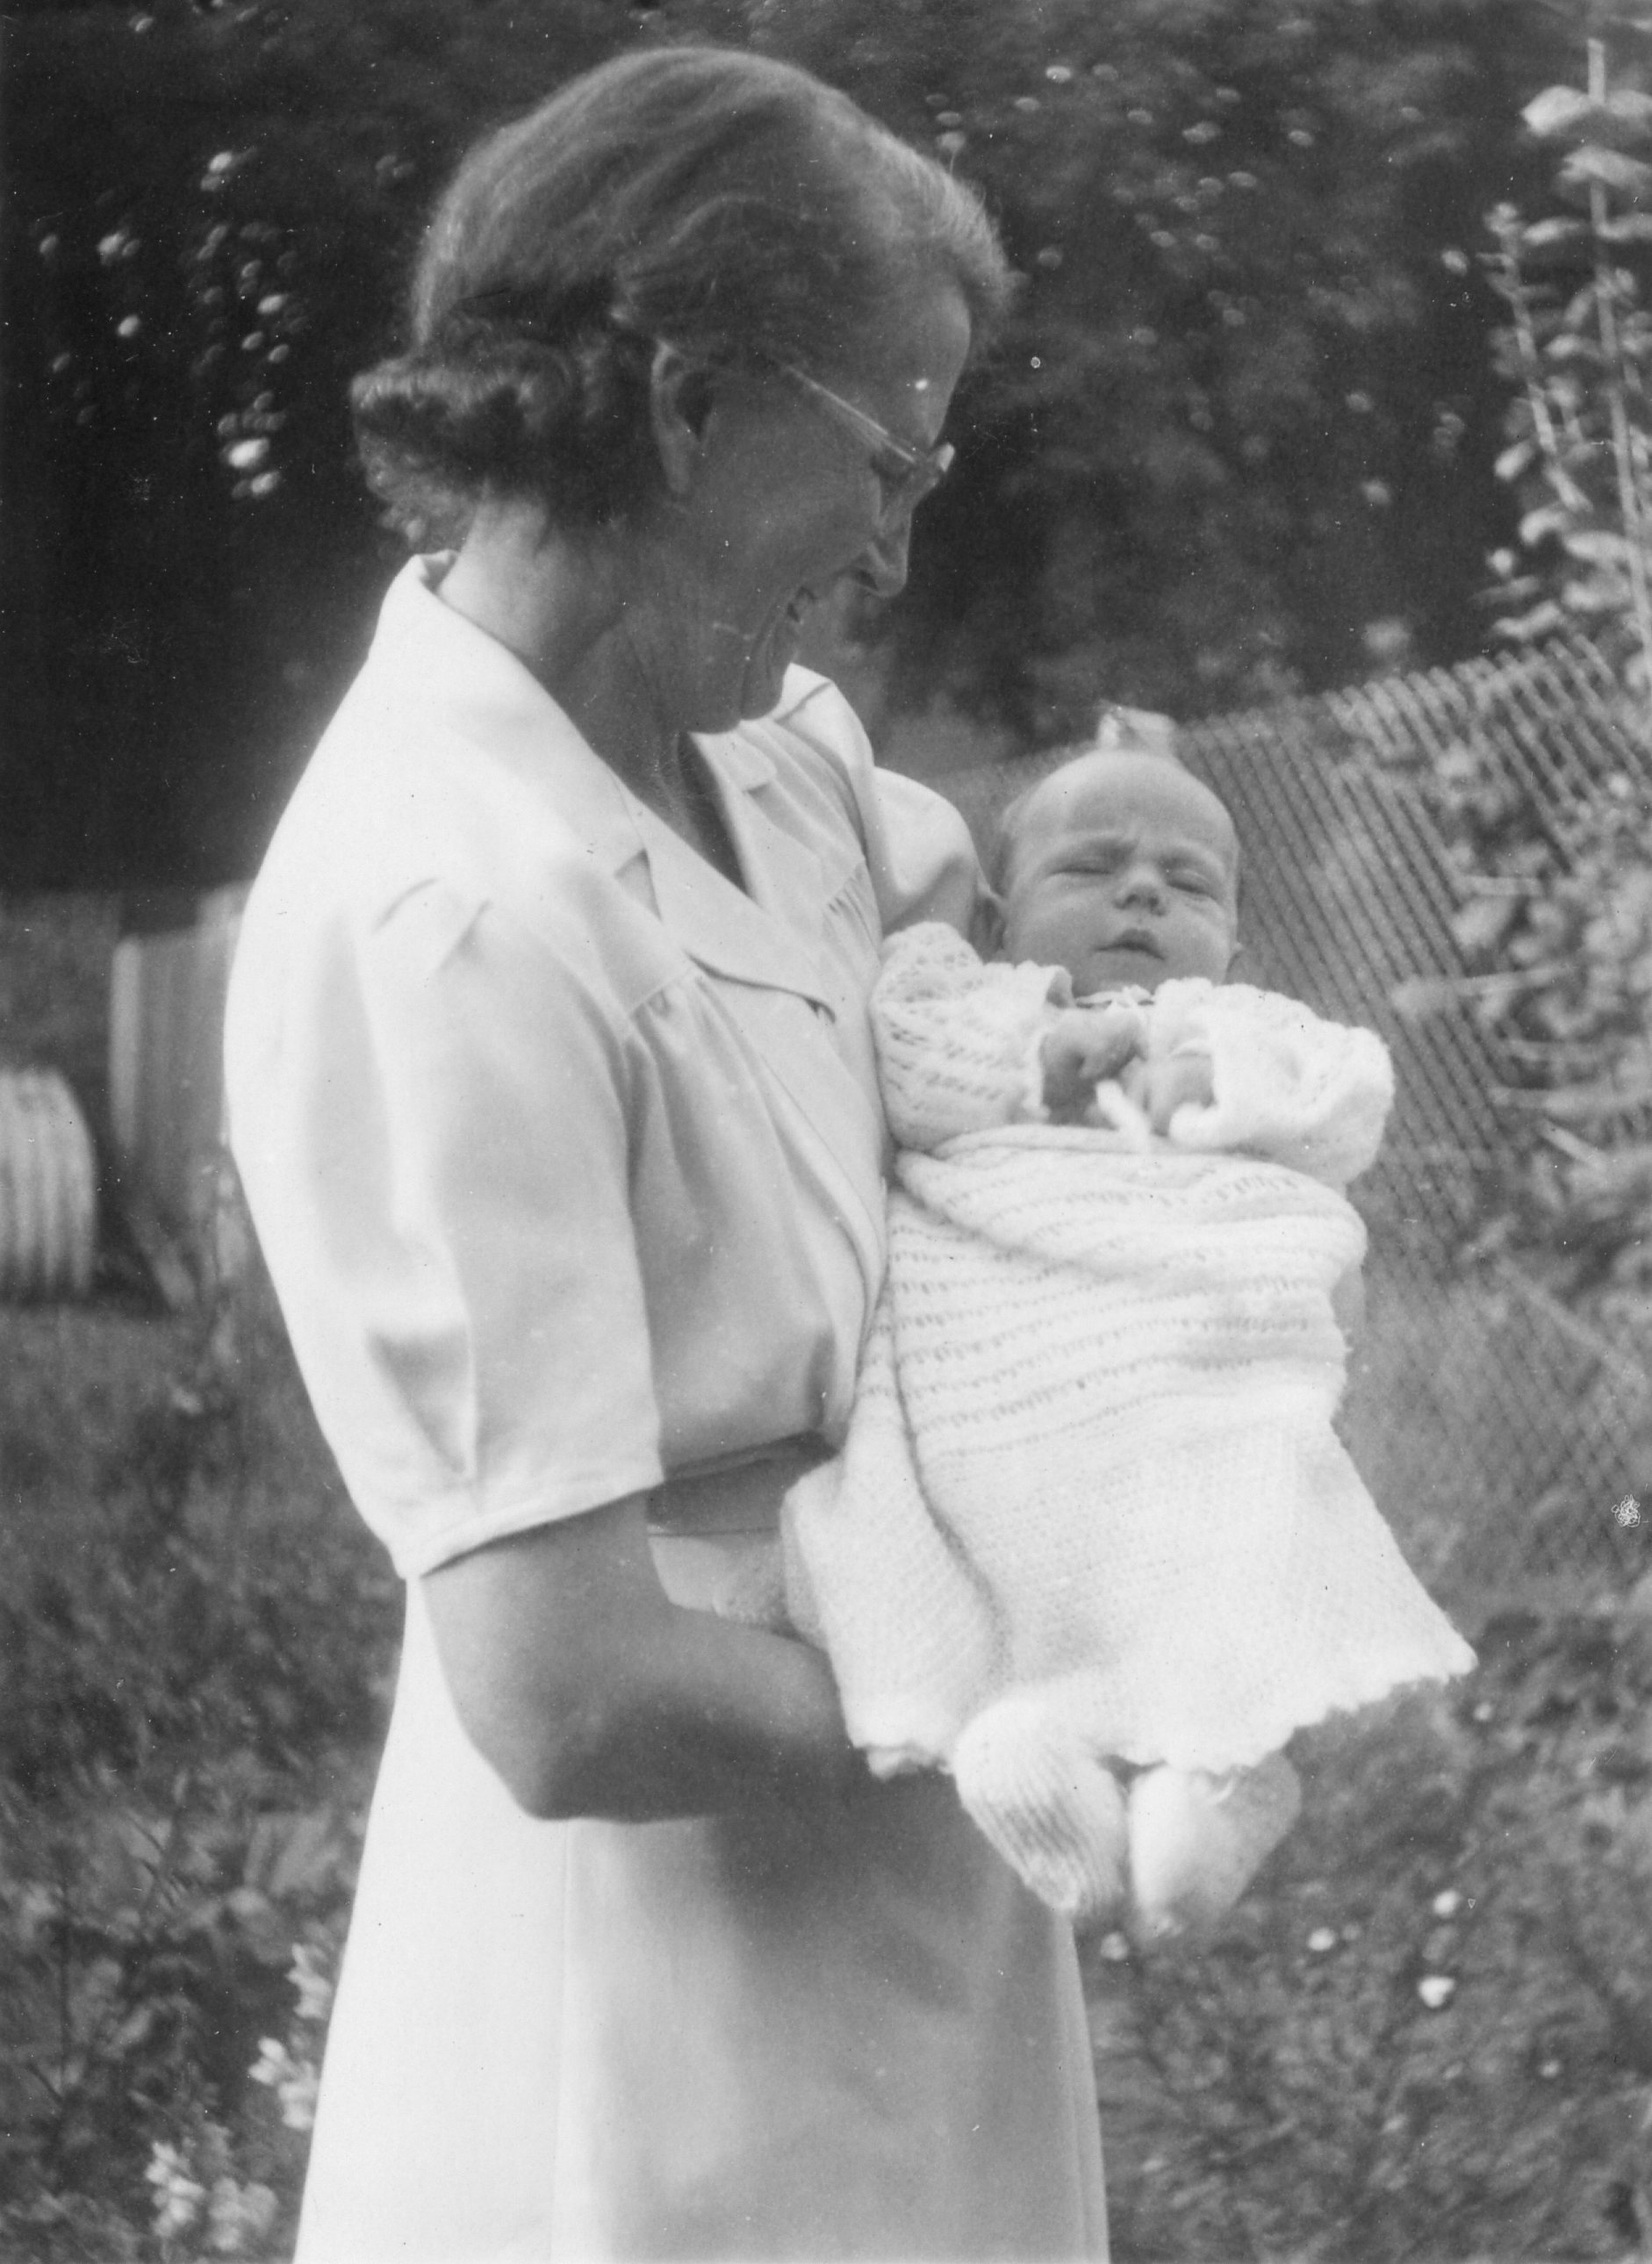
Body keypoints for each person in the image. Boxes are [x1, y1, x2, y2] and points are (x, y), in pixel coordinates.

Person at [224, 43, 1111, 2264]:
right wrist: (1033, 1687)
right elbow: (570, 1692)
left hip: (906, 1895)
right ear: (689, 407)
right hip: (653, 1996)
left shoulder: (777, 760)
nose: (895, 558)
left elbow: (934, 1016)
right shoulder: (455, 914)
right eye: (884, 464)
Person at [782, 719, 1476, 1938]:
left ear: (1233, 937)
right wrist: (1044, 1059)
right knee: (989, 1539)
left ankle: (1199, 1767)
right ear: (999, 914)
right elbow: (908, 1055)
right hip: (1002, 1335)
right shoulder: (968, 993)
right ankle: (1033, 1730)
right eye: (1089, 870)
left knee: (1236, 1514)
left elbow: (1342, 1094)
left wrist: (1211, 1075)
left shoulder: (1238, 1021)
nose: (1141, 891)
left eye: (1185, 882)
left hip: (1192, 1338)